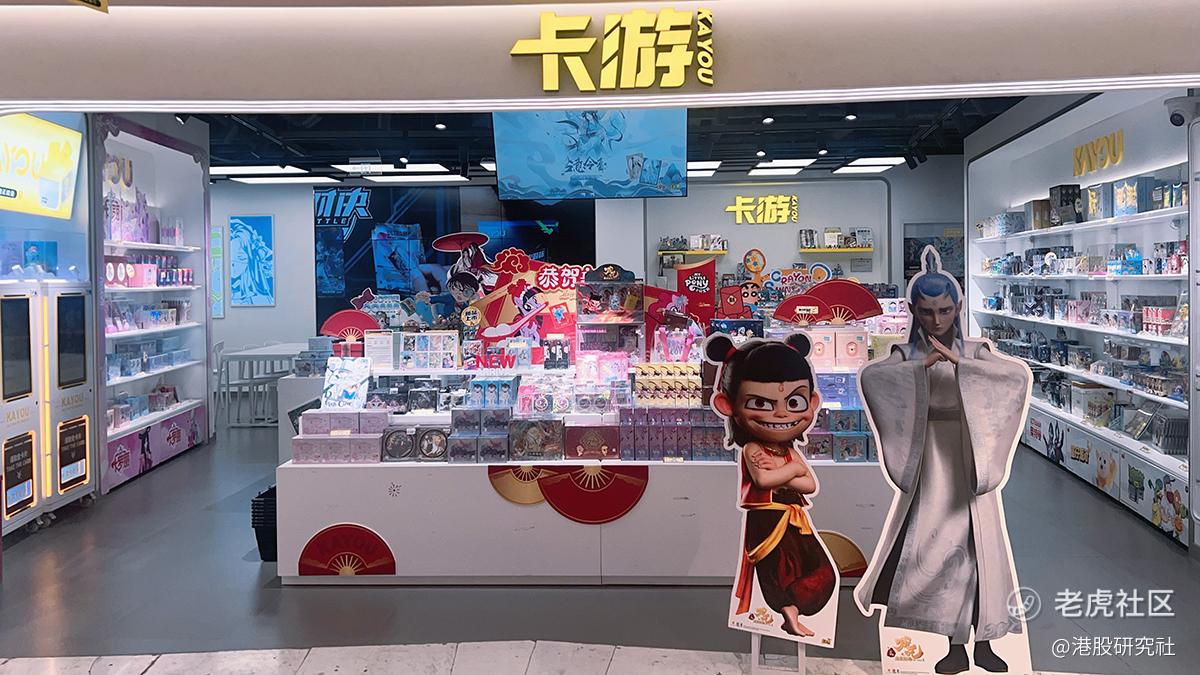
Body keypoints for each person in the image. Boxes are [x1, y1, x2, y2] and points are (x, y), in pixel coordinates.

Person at [855, 247, 1032, 674]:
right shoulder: (905, 355)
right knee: (940, 552)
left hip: (971, 455)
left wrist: (962, 365)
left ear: (958, 308)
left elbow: (1013, 379)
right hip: (931, 457)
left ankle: (984, 642)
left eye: (945, 310)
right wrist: (920, 369)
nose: (936, 320)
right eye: (927, 311)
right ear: (914, 311)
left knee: (980, 550)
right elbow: (875, 378)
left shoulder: (976, 350)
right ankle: (953, 644)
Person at [705, 332, 837, 639]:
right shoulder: (754, 449)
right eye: (760, 403)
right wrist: (792, 470)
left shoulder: (786, 451)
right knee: (779, 571)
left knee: (820, 570)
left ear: (812, 402)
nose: (780, 413)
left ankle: (795, 610)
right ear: (728, 405)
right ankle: (788, 612)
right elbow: (764, 480)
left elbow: (809, 483)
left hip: (795, 520)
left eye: (794, 401)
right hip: (767, 520)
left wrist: (787, 470)